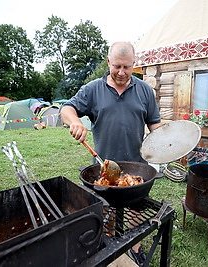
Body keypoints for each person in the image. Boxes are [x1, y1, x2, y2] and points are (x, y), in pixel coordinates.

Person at [60, 41, 162, 265]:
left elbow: (155, 124)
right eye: (117, 66)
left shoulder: (145, 90)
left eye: (127, 67)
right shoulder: (93, 89)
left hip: (137, 166)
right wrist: (75, 122)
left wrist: (167, 142)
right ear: (108, 62)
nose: (122, 72)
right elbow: (66, 108)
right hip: (103, 168)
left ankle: (134, 246)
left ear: (134, 64)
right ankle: (108, 247)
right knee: (107, 211)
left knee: (136, 209)